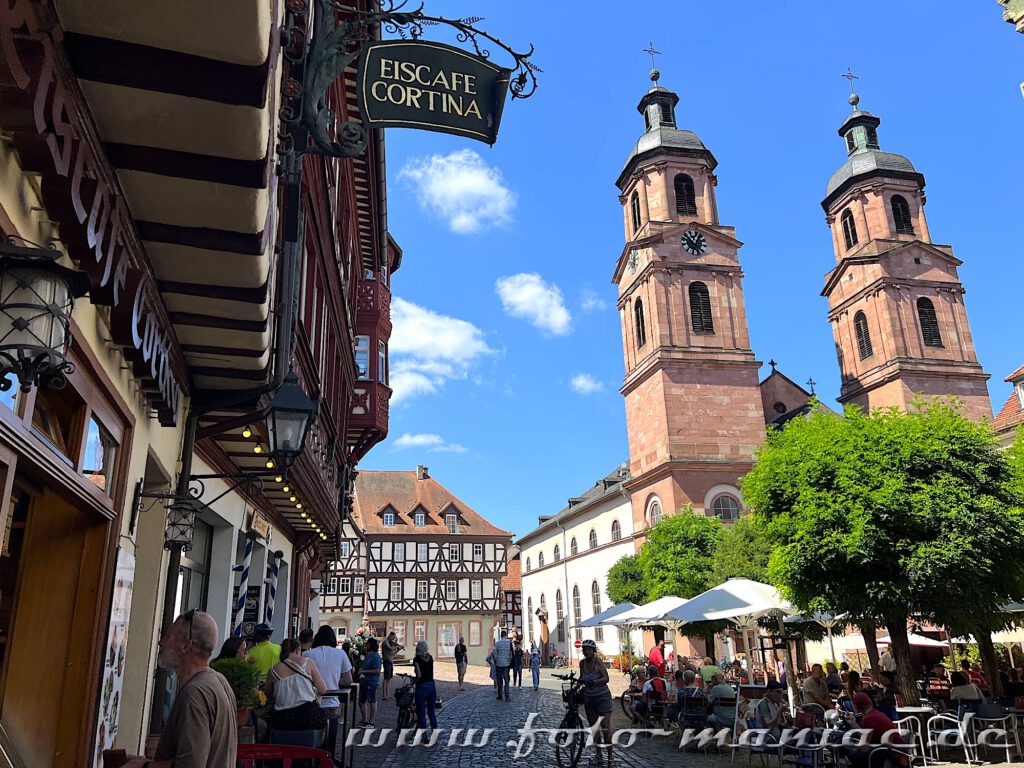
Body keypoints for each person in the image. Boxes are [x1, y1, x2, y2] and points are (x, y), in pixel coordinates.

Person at [121, 610, 236, 768]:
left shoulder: (195, 693)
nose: (161, 642)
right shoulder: (219, 681)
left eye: (168, 637)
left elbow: (190, 765)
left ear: (185, 646)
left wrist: (143, 767)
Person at [265, 638, 328, 736]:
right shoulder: (308, 662)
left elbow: (268, 693)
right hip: (308, 716)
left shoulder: (273, 670)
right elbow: (322, 690)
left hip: (282, 719)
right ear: (298, 649)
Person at [304, 626, 353, 748]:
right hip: (332, 703)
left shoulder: (306, 654)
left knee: (311, 742)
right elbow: (348, 680)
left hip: (311, 703)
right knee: (330, 742)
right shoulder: (340, 653)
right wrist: (336, 680)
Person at [579, 639, 613, 766]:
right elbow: (582, 678)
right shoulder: (582, 664)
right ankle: (599, 755)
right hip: (589, 698)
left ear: (593, 651)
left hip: (602, 697)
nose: (586, 651)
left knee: (605, 728)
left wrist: (594, 682)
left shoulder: (598, 662)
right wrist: (576, 687)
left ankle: (610, 756)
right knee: (594, 728)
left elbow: (606, 678)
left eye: (589, 649)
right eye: (585, 649)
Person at [847, 692, 902, 768]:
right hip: (895, 750)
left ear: (856, 706)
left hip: (890, 753)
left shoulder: (868, 719)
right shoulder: (877, 713)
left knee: (851, 757)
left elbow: (864, 746)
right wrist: (853, 724)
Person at [413, 640, 438, 731]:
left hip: (422, 686)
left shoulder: (417, 659)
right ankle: (434, 733)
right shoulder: (430, 658)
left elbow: (419, 675)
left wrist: (415, 681)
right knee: (431, 712)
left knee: (421, 712)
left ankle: (424, 736)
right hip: (431, 685)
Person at [359, 637, 383, 727]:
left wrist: (363, 671)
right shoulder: (368, 655)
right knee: (362, 701)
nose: (366, 645)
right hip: (364, 681)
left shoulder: (375, 656)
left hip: (371, 681)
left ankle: (371, 722)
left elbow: (377, 670)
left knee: (372, 701)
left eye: (368, 644)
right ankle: (364, 720)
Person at [380, 630, 403, 700]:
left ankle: (387, 694)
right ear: (390, 635)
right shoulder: (385, 642)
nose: (393, 639)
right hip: (386, 661)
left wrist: (398, 650)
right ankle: (384, 695)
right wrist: (397, 645)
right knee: (386, 678)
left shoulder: (389, 643)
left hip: (390, 661)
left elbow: (391, 654)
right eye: (393, 637)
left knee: (389, 678)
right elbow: (390, 648)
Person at [493, 629, 513, 701]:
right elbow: (511, 653)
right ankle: (507, 695)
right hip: (506, 663)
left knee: (499, 680)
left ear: (501, 636)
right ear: (506, 635)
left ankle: (500, 695)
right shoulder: (509, 642)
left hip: (499, 663)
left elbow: (494, 653)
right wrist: (510, 661)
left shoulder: (497, 643)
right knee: (506, 680)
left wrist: (496, 660)